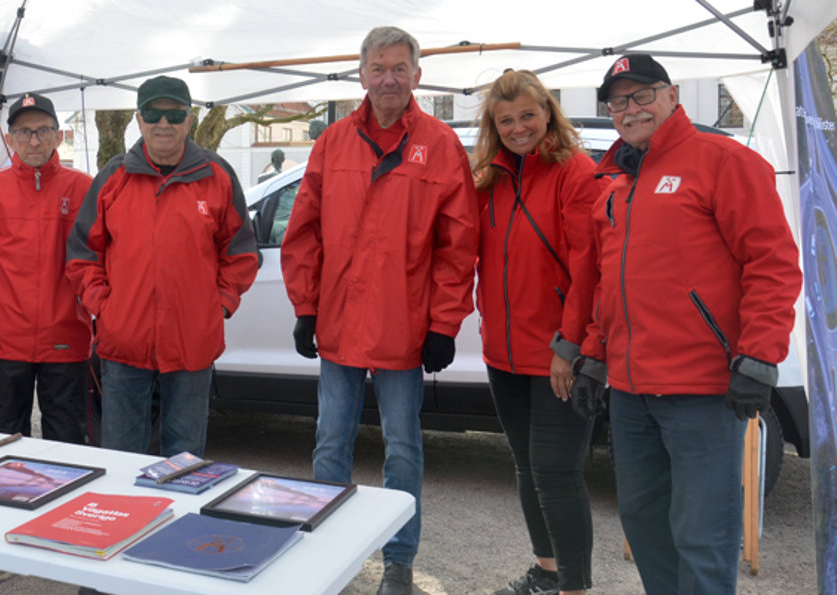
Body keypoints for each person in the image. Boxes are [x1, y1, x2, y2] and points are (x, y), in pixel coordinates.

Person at [570, 54, 801, 594]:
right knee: (646, 527)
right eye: (618, 101)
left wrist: (761, 354)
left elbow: (772, 262)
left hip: (701, 390)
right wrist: (595, 356)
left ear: (672, 95)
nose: (631, 109)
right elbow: (612, 284)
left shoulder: (723, 160)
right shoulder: (617, 180)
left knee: (704, 536)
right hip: (630, 393)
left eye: (642, 94)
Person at [280, 26, 477, 595]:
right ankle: (329, 551)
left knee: (404, 447)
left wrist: (443, 324)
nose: (388, 78)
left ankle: (399, 562)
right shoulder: (332, 141)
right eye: (378, 67)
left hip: (404, 326)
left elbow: (457, 244)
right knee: (328, 442)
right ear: (361, 74)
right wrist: (306, 306)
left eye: (399, 68)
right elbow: (304, 232)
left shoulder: (439, 145)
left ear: (417, 75)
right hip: (340, 322)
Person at [66, 75, 258, 458]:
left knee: (184, 462)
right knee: (121, 459)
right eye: (154, 113)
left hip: (192, 345)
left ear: (190, 120)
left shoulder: (217, 177)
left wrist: (217, 305)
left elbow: (242, 253)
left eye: (175, 114)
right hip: (123, 344)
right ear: (139, 119)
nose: (164, 124)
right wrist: (105, 307)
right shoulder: (113, 178)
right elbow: (82, 254)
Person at [472, 69, 607, 595]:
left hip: (557, 354)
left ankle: (574, 588)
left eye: (527, 115)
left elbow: (587, 269)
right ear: (494, 125)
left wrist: (569, 347)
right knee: (527, 468)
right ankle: (547, 573)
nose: (518, 128)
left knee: (556, 473)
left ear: (547, 112)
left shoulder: (575, 172)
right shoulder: (489, 177)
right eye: (506, 120)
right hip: (502, 352)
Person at [0, 93, 94, 445]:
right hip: (1, 337)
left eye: (43, 130)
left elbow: (98, 254)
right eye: (24, 132)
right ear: (10, 137)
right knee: (2, 438)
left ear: (59, 136)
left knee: (67, 438)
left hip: (66, 333)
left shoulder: (84, 189)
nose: (34, 140)